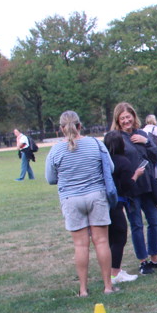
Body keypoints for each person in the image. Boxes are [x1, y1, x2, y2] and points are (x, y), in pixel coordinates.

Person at [45, 111, 115, 296]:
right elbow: (110, 168)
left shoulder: (55, 150)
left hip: (71, 199)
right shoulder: (95, 143)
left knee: (81, 246)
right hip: (96, 196)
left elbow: (50, 178)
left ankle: (83, 289)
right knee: (101, 242)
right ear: (80, 126)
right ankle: (108, 286)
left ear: (61, 129)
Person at [112, 102, 157, 275]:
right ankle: (143, 261)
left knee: (154, 220)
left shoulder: (141, 133)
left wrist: (146, 141)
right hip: (131, 188)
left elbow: (155, 154)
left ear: (134, 116)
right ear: (117, 120)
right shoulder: (116, 137)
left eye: (128, 117)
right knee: (136, 224)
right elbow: (114, 163)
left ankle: (155, 258)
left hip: (147, 186)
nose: (126, 121)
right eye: (122, 118)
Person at [102, 131, 139, 285]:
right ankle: (115, 273)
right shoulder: (123, 162)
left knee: (109, 238)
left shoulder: (103, 161)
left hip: (103, 203)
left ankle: (110, 272)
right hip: (117, 203)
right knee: (119, 237)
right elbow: (127, 185)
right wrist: (136, 175)